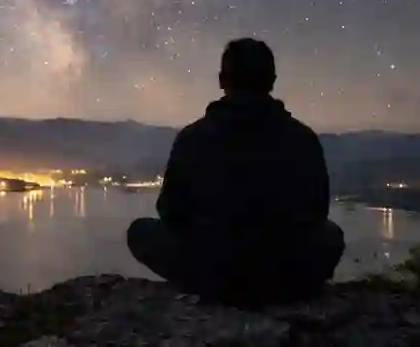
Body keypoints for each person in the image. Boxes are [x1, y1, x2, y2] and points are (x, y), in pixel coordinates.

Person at [127, 38, 345, 307]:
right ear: (272, 81)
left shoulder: (193, 137)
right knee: (332, 234)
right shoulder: (303, 138)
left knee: (139, 231)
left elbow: (171, 212)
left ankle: (212, 285)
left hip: (211, 274)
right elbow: (317, 214)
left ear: (221, 80)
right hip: (285, 275)